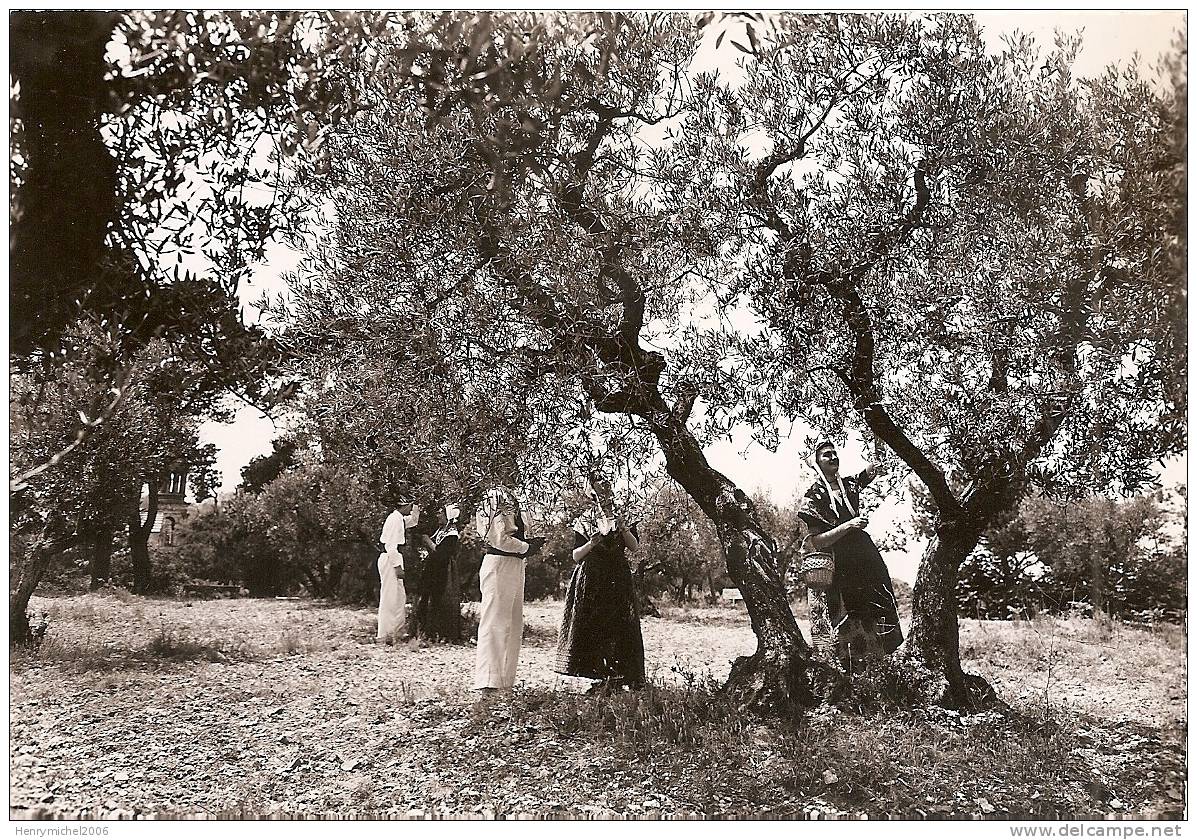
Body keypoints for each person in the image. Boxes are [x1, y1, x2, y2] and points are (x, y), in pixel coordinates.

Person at [796, 440, 903, 668]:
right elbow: (815, 541)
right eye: (827, 455)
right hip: (837, 561)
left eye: (835, 453)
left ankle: (879, 665)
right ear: (816, 463)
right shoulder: (813, 496)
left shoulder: (850, 485)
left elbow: (878, 465)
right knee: (841, 613)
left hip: (863, 556)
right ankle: (844, 669)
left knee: (876, 602)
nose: (833, 457)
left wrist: (877, 431)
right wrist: (848, 526)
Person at [554, 475, 646, 691]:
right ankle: (599, 675)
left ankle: (619, 674)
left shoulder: (624, 516)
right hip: (592, 579)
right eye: (599, 491)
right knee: (594, 624)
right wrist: (591, 543)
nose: (604, 495)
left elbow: (634, 547)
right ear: (592, 495)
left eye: (607, 489)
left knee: (620, 622)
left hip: (617, 577)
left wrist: (623, 529)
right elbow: (576, 556)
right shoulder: (585, 520)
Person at [473, 484, 545, 691]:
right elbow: (496, 537)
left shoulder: (512, 496)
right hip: (499, 562)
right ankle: (487, 683)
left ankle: (504, 683)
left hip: (515, 563)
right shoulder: (493, 495)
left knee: (512, 625)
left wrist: (530, 544)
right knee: (494, 622)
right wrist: (526, 547)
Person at [414, 503, 463, 643]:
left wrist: (428, 542)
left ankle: (441, 633)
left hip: (444, 571)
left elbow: (442, 554)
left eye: (441, 513)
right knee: (430, 598)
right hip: (436, 569)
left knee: (441, 599)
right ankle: (427, 630)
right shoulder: (442, 530)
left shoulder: (452, 534)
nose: (438, 516)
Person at [376, 493, 414, 644]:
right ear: (404, 505)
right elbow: (390, 546)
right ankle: (383, 634)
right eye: (410, 505)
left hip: (393, 557)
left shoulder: (398, 518)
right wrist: (397, 566)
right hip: (390, 559)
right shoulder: (394, 519)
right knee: (389, 597)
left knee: (399, 597)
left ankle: (395, 632)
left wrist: (418, 505)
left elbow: (413, 520)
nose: (411, 509)